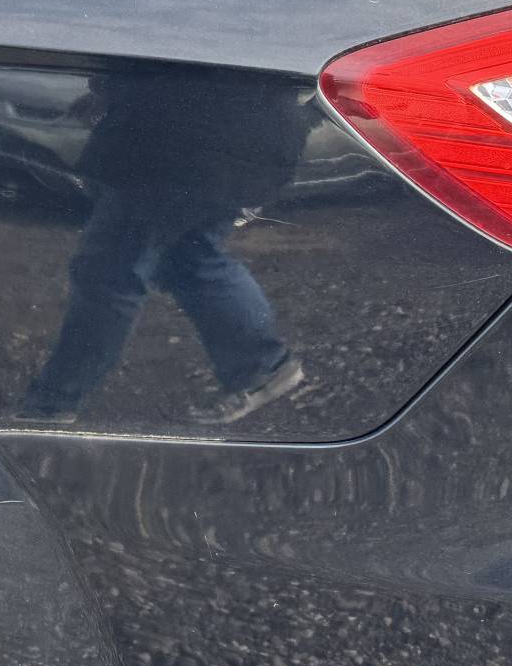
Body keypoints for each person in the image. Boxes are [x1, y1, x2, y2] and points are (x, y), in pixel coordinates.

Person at [17, 68, 309, 425]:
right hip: (244, 137)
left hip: (182, 144)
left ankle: (52, 404)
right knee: (190, 256)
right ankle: (262, 366)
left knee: (111, 272)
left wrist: (117, 90)